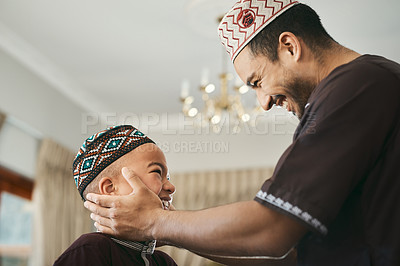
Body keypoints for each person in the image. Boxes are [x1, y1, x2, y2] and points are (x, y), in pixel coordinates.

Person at [83, 1, 400, 265]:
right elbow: (286, 255)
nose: (263, 103)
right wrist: (167, 229)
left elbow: (272, 229)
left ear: (289, 47)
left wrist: (156, 222)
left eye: (257, 81)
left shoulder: (357, 87)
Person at [54, 125, 177, 266]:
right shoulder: (90, 250)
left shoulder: (163, 262)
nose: (171, 187)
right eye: (157, 172)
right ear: (110, 188)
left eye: (168, 177)